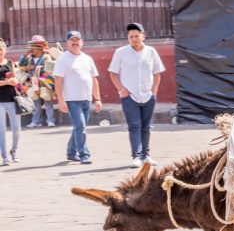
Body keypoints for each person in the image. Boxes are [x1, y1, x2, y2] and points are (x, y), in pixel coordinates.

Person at [108, 23, 165, 168]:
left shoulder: (151, 52)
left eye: (136, 36)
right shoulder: (121, 52)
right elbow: (113, 73)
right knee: (134, 126)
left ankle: (146, 156)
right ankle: (136, 157)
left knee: (146, 127)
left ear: (143, 36)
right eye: (130, 37)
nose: (133, 39)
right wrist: (121, 89)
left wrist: (154, 91)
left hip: (148, 95)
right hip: (130, 96)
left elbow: (157, 73)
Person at [53, 30, 102, 165]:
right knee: (80, 126)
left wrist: (97, 98)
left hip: (86, 99)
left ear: (82, 42)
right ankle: (84, 155)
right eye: (71, 40)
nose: (74, 42)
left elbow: (94, 80)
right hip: (72, 100)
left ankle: (71, 152)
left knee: (79, 127)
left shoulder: (87, 59)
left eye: (77, 40)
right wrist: (61, 100)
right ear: (67, 43)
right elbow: (58, 81)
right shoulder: (63, 59)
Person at [18, 35, 57, 128]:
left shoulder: (46, 57)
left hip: (44, 81)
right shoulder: (29, 58)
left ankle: (50, 120)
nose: (31, 49)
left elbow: (50, 70)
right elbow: (20, 65)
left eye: (33, 47)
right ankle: (36, 121)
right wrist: (25, 54)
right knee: (35, 102)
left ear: (39, 48)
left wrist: (40, 78)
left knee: (48, 101)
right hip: (32, 82)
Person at [0, 40, 22, 166]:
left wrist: (14, 80)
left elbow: (15, 79)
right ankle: (4, 157)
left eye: (1, 49)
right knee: (1, 130)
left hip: (12, 99)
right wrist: (7, 82)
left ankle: (14, 151)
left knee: (16, 129)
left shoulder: (10, 63)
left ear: (5, 50)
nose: (0, 52)